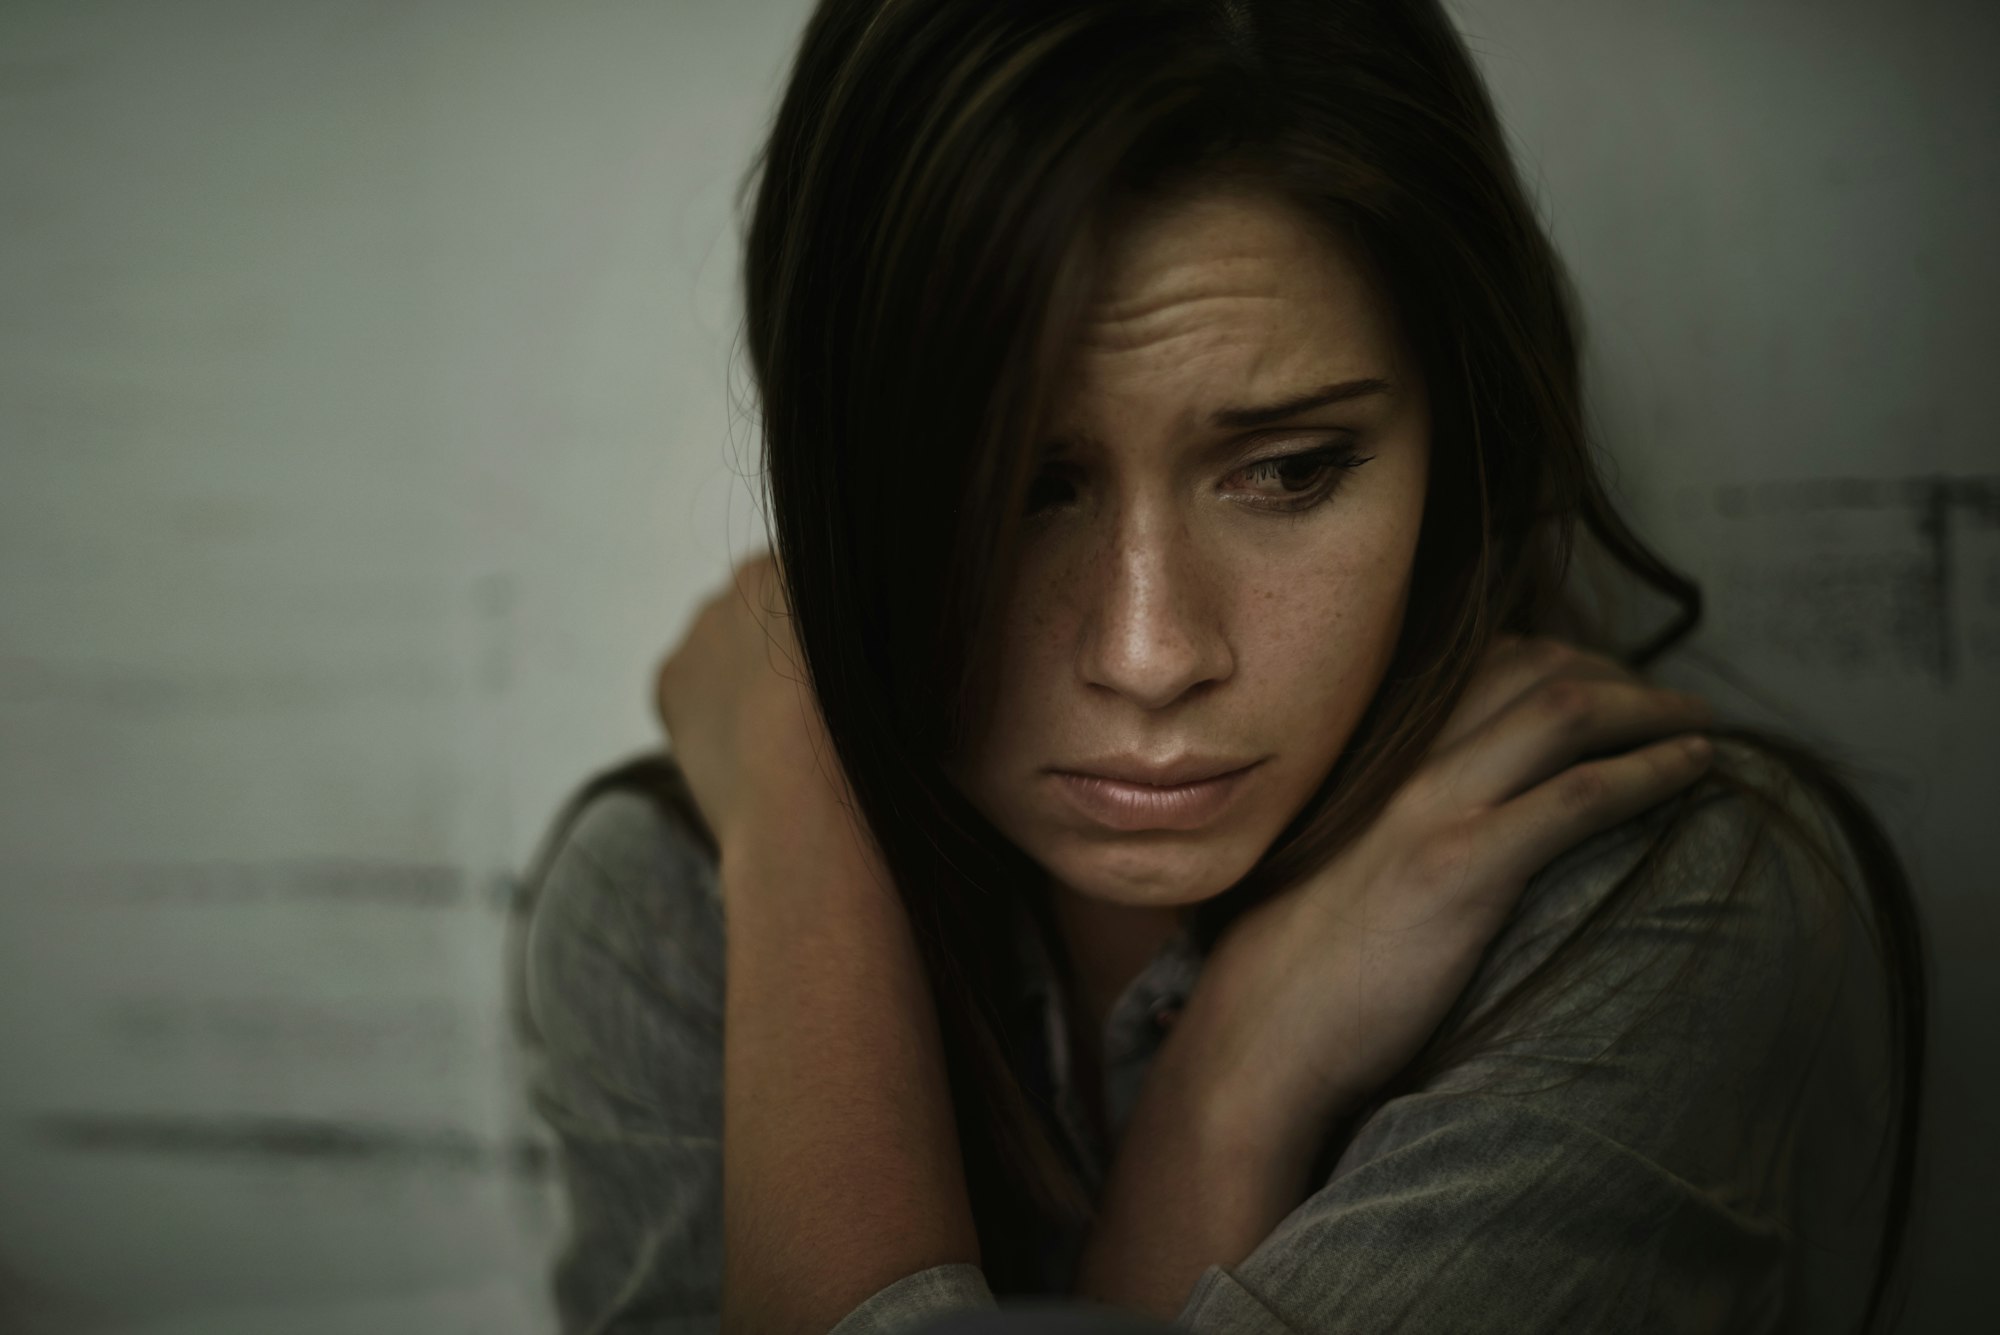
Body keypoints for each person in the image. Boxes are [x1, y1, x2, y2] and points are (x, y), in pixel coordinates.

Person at [509, 2, 1928, 1332]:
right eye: (1013, 489)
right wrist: (1226, 1096)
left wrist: (790, 790)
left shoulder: (1642, 907)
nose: (1150, 654)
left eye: (1292, 470)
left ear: (1458, 436)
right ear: (838, 470)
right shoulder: (672, 908)